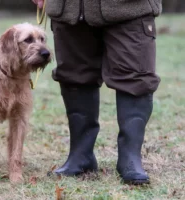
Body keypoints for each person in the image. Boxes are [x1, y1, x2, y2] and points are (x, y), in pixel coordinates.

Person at [32, 0, 162, 185]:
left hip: (130, 7)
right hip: (69, 8)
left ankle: (130, 158)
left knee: (135, 78)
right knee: (74, 77)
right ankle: (81, 156)